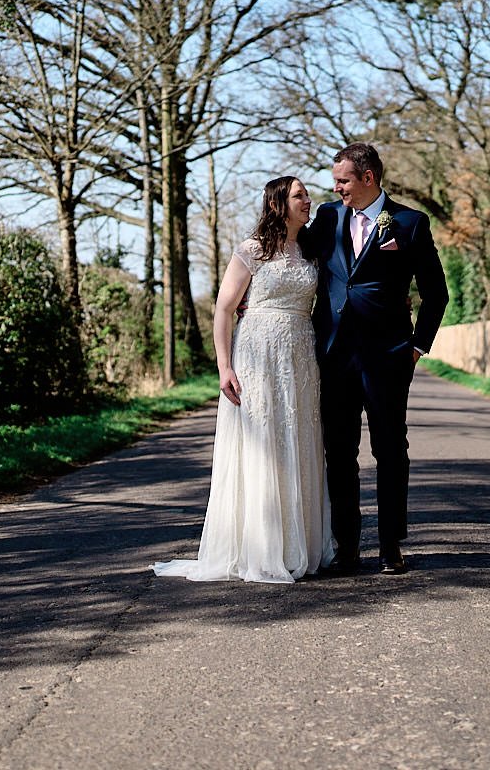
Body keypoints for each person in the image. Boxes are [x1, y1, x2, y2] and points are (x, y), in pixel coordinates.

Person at [153, 176, 334, 583]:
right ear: (277, 205)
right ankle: (259, 546)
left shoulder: (311, 250)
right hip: (256, 354)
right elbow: (223, 309)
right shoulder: (251, 250)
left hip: (301, 355)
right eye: (299, 195)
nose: (308, 200)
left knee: (298, 442)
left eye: (307, 194)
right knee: (264, 441)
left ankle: (297, 544)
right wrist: (224, 367)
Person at [301, 143, 448, 575]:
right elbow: (288, 250)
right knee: (339, 452)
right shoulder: (328, 217)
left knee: (390, 449)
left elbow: (435, 293)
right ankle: (347, 546)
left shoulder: (410, 223)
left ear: (368, 178)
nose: (337, 189)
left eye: (343, 181)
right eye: (335, 182)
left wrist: (418, 346)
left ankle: (390, 545)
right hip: (333, 355)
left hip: (387, 356)